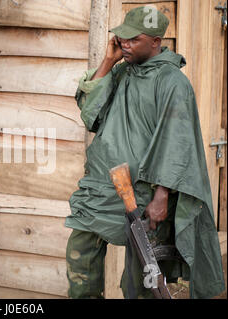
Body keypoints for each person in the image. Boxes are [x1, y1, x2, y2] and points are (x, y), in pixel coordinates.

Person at [65, 6, 225, 299]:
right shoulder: (121, 71)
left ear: (155, 41)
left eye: (132, 39)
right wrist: (108, 61)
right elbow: (90, 116)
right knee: (80, 258)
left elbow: (177, 144)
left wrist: (161, 196)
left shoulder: (173, 83)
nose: (124, 44)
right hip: (100, 188)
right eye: (122, 38)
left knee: (142, 280)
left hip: (144, 194)